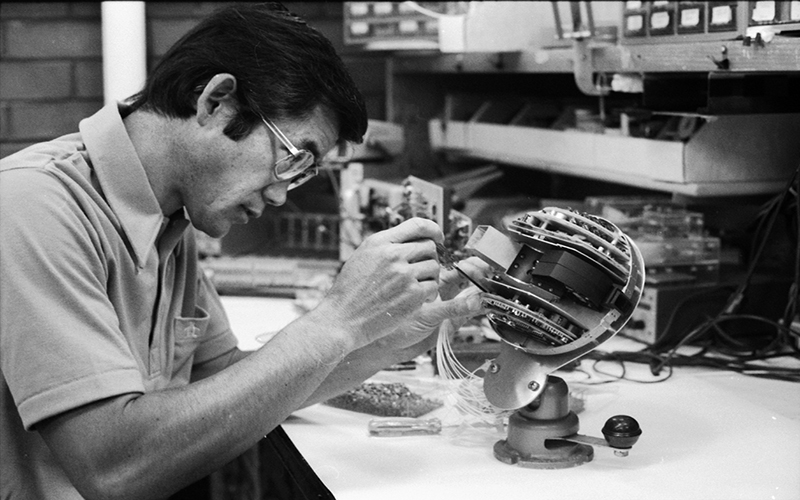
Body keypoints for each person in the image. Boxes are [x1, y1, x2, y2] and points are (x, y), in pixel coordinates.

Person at [0, 3, 486, 499]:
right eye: (294, 158)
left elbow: (235, 384)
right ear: (217, 102)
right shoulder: (32, 206)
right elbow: (112, 467)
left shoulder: (170, 223)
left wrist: (385, 338)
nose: (280, 195)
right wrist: (337, 320)